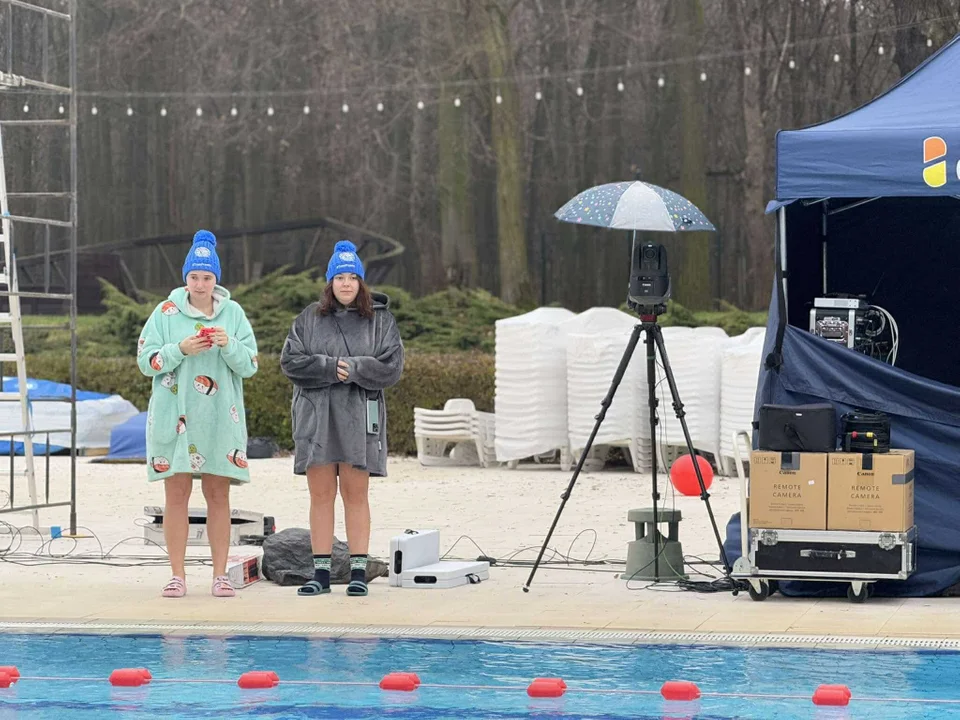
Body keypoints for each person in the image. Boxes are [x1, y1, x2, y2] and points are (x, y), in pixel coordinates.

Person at [137, 229, 259, 599]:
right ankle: (178, 575)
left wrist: (228, 344)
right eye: (194, 277)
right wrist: (180, 349)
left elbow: (251, 364)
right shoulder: (165, 313)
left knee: (217, 494)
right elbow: (147, 362)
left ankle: (220, 575)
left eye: (206, 277)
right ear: (185, 278)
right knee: (176, 495)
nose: (200, 284)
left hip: (219, 418)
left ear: (216, 279)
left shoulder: (233, 313)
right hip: (175, 418)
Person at [280, 240, 404, 597]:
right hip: (317, 418)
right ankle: (319, 573)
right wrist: (331, 368)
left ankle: (358, 571)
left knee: (356, 493)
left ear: (362, 283)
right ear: (330, 282)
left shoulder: (381, 321)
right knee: (320, 495)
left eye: (352, 277)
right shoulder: (308, 318)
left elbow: (391, 367)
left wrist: (357, 369)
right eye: (340, 277)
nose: (346, 284)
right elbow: (291, 362)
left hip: (359, 418)